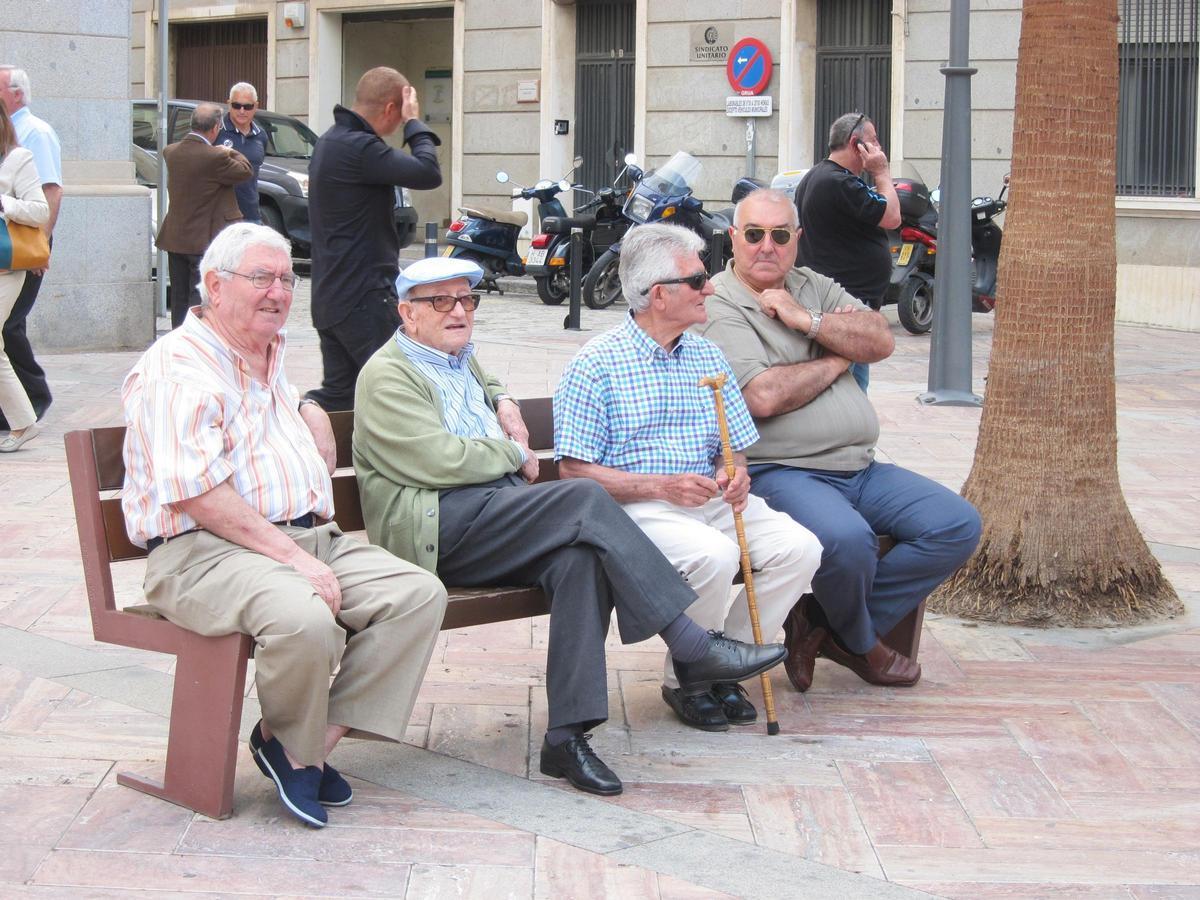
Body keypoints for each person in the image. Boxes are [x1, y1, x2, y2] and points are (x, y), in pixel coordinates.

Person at [352, 255, 786, 796]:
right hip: (438, 526)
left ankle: (567, 736)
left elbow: (487, 382)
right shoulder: (387, 373)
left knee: (579, 560)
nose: (459, 311)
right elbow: (437, 459)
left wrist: (505, 401)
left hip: (496, 513)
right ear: (407, 313)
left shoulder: (459, 356)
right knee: (582, 496)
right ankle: (690, 643)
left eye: (467, 300)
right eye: (441, 301)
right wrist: (511, 449)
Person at [120, 223, 447, 828]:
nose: (278, 291)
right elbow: (198, 493)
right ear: (215, 287)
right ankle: (296, 751)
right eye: (261, 278)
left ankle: (300, 743)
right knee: (303, 616)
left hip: (301, 534)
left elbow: (259, 418)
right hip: (202, 552)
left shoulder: (267, 349)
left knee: (417, 595)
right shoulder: (176, 367)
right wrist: (293, 559)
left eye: (286, 278)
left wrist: (310, 407)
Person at [698, 189, 982, 691]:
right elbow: (762, 396)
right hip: (782, 470)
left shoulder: (810, 287)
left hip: (861, 467)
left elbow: (881, 339)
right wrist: (837, 354)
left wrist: (807, 321)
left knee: (955, 525)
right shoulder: (721, 303)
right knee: (849, 542)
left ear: (797, 239)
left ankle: (827, 629)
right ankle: (863, 643)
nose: (768, 246)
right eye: (755, 234)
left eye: (781, 235)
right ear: (733, 239)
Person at [554, 224, 823, 732]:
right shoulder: (596, 364)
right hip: (638, 507)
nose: (711, 288)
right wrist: (661, 487)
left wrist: (734, 474)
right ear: (659, 295)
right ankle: (689, 678)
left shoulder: (706, 355)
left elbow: (733, 447)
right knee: (714, 555)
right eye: (698, 279)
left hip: (710, 500)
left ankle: (731, 662)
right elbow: (574, 472)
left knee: (801, 549)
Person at [307, 66, 442, 412]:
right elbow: (428, 172)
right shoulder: (360, 148)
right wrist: (415, 125)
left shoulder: (329, 141)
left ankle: (298, 434)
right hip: (364, 296)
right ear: (390, 109)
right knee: (403, 390)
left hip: (330, 296)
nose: (399, 125)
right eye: (400, 117)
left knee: (342, 397)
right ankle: (277, 420)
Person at [794, 112, 900, 392]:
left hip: (845, 301)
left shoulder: (820, 176)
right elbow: (892, 216)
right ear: (856, 144)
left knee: (850, 384)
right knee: (847, 387)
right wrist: (881, 173)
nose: (879, 148)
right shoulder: (840, 182)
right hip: (845, 303)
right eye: (873, 140)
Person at [156, 103, 253, 328]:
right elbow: (245, 170)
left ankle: (177, 338)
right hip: (203, 239)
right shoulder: (214, 157)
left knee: (179, 295)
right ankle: (194, 339)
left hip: (176, 236)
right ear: (216, 127)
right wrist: (228, 150)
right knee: (198, 294)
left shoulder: (171, 151)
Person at [0, 66, 60, 428]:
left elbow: (50, 194)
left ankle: (31, 402)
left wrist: (42, 248)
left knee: (10, 328)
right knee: (10, 329)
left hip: (17, 254)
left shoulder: (34, 135)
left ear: (15, 93)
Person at [0, 101, 48, 452]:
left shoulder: (18, 158)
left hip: (5, 266)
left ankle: (23, 421)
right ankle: (23, 421)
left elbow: (39, 210)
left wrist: (5, 203)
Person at [216, 82, 269, 224]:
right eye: (236, 105)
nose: (241, 111)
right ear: (228, 104)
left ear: (256, 106)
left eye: (247, 106)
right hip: (221, 215)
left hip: (251, 214)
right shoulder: (216, 131)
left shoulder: (261, 136)